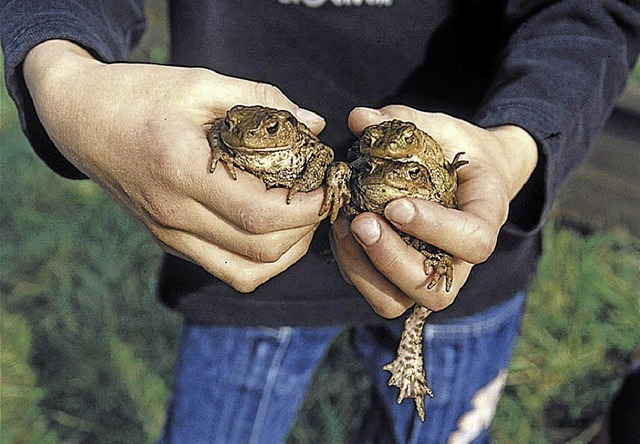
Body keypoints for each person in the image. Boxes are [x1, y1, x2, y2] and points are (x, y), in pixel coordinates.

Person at [2, 1, 639, 442]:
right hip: (242, 245)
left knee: (431, 421)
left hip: (464, 238)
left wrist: (515, 144)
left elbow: (592, 16)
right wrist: (63, 78)